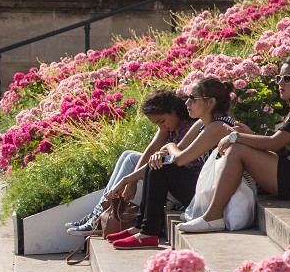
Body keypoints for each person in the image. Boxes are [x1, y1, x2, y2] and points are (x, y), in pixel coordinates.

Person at [178, 56, 290, 234]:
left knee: (237, 149)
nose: (280, 83)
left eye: (287, 78)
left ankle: (213, 216)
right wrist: (249, 135)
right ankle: (212, 214)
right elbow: (277, 146)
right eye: (279, 78)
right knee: (238, 147)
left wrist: (235, 137)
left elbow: (274, 142)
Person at [108, 77, 233, 249]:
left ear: (210, 102)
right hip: (204, 188)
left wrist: (168, 146)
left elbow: (180, 158)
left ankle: (148, 232)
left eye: (193, 98)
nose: (187, 103)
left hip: (216, 195)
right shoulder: (201, 125)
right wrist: (127, 179)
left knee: (162, 167)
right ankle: (141, 227)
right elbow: (172, 153)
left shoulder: (219, 127)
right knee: (158, 164)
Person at [64, 90, 194, 235]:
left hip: (182, 187)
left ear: (174, 110)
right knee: (129, 155)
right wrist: (131, 183)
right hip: (170, 177)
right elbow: (152, 148)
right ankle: (100, 212)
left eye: (162, 121)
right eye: (157, 124)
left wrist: (129, 181)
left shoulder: (189, 126)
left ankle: (99, 216)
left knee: (142, 161)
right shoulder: (169, 126)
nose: (161, 127)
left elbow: (175, 159)